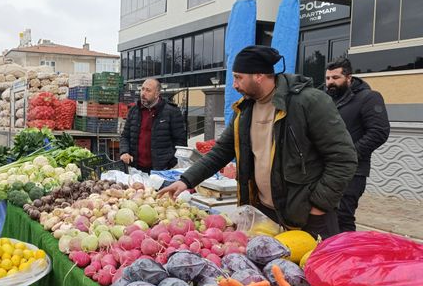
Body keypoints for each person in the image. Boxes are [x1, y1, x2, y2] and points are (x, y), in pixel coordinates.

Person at [159, 46, 358, 240]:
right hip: (265, 214)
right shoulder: (245, 110)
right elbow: (220, 152)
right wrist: (185, 181)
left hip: (309, 217)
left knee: (313, 269)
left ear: (259, 76)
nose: (234, 85)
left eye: (238, 77)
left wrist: (319, 206)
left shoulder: (309, 102)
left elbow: (343, 158)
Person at [325, 58, 390, 232]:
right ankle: (328, 255)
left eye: (335, 78)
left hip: (354, 171)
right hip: (327, 170)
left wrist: (348, 155)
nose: (330, 82)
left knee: (343, 217)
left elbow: (379, 132)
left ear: (349, 78)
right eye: (328, 78)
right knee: (326, 217)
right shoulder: (327, 100)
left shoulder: (368, 98)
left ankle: (348, 256)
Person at [119, 78, 187, 173]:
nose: (143, 93)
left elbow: (180, 141)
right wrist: (124, 152)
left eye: (148, 90)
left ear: (157, 94)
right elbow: (125, 136)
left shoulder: (172, 112)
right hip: (136, 168)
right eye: (142, 89)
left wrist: (170, 163)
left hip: (162, 170)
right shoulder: (134, 111)